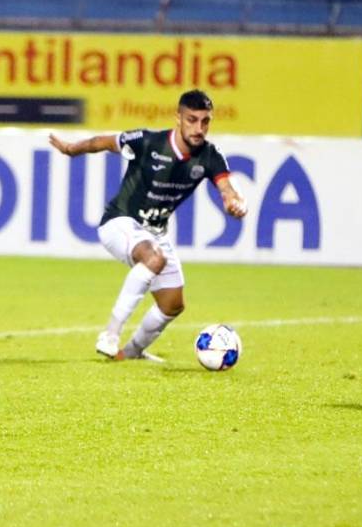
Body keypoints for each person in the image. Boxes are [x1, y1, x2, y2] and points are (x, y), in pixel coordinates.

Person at [49, 89, 247, 362]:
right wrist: (72, 149)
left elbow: (227, 188)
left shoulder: (210, 156)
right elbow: (103, 142)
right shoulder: (149, 141)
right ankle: (109, 335)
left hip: (154, 232)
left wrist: (235, 203)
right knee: (154, 258)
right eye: (192, 119)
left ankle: (130, 354)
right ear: (178, 117)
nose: (199, 128)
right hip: (120, 222)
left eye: (205, 121)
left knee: (172, 304)